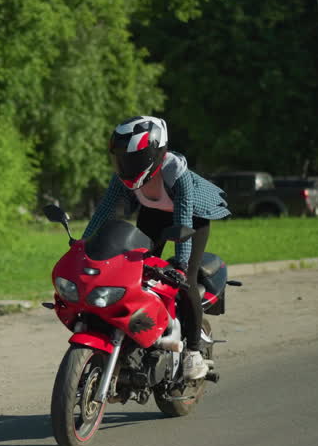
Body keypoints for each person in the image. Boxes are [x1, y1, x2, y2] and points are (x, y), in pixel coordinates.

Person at [81, 115, 231, 380]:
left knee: (185, 281)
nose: (126, 167)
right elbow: (104, 210)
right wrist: (83, 244)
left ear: (156, 153)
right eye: (122, 159)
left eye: (134, 160)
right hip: (154, 214)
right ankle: (144, 332)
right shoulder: (123, 178)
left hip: (192, 218)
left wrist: (182, 265)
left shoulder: (176, 173)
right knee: (138, 274)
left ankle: (193, 353)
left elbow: (183, 216)